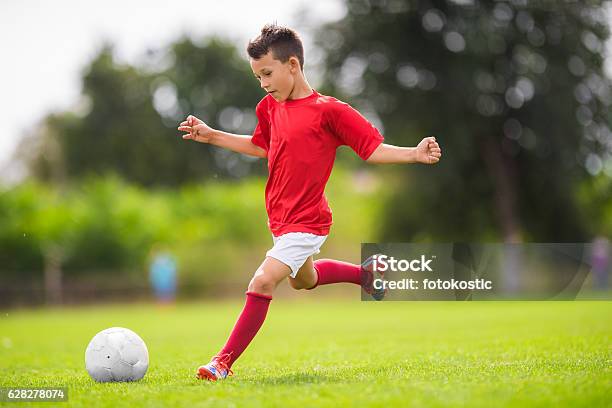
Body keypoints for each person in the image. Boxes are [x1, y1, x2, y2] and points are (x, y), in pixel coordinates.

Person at [177, 24, 442, 381]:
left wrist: (414, 153)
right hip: (280, 221)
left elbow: (372, 149)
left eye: (267, 73)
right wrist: (212, 136)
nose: (263, 83)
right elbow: (261, 146)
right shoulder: (268, 107)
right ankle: (368, 275)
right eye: (257, 76)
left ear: (293, 65)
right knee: (305, 280)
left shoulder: (330, 111)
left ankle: (222, 362)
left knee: (262, 282)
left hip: (308, 221)